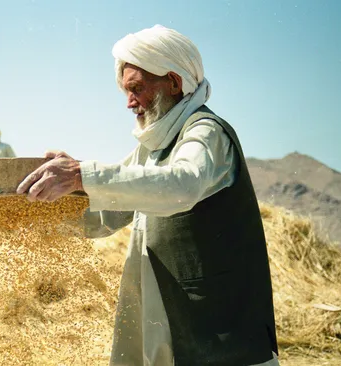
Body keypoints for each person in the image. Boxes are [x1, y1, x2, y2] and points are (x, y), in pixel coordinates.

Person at [17, 25, 279, 366]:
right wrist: (38, 216)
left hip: (217, 334)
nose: (129, 102)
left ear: (173, 81)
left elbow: (180, 185)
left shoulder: (205, 133)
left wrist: (81, 175)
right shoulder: (152, 148)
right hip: (167, 323)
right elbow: (105, 213)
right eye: (126, 91)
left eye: (137, 89)